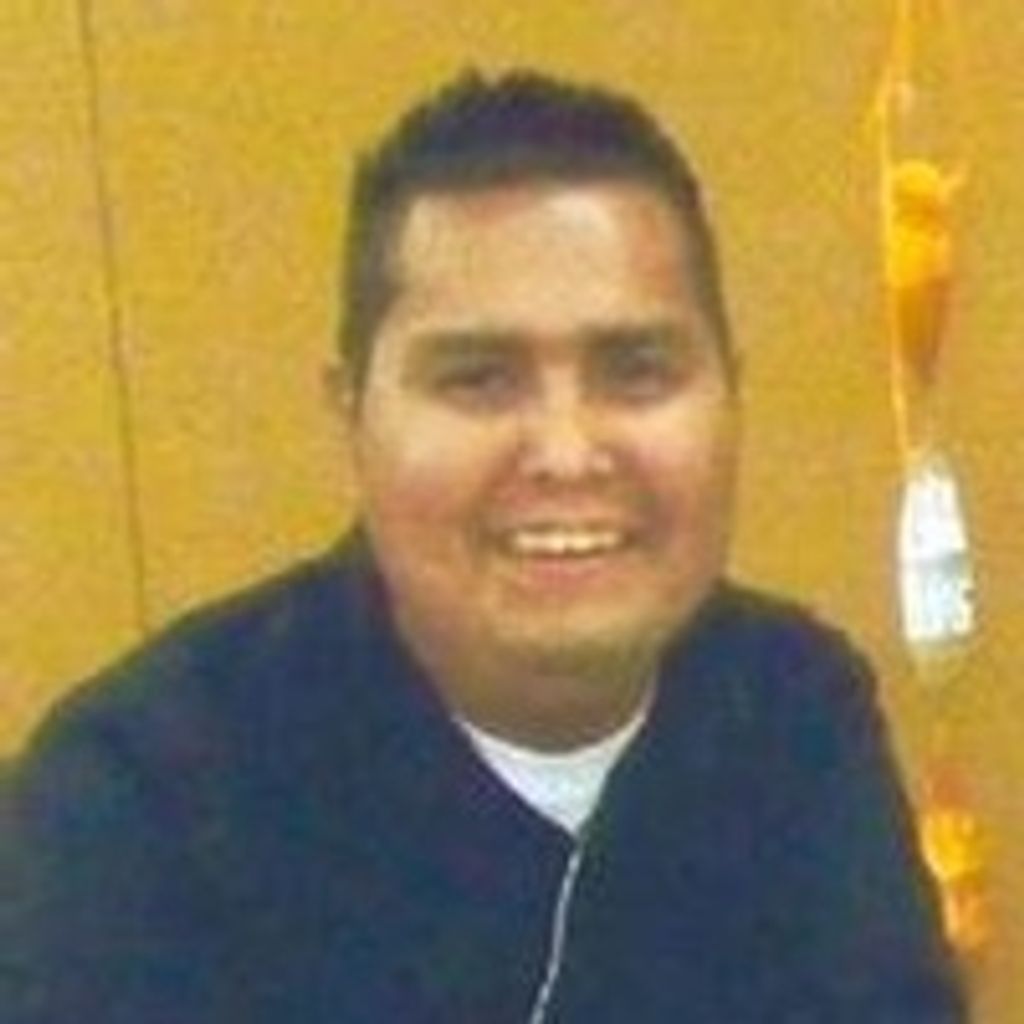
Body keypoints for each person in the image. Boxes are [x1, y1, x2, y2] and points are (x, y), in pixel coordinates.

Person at [2, 70, 966, 1023]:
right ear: (352, 415)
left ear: (731, 397)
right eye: (479, 379)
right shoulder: (140, 798)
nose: (566, 453)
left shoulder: (788, 708)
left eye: (635, 371)